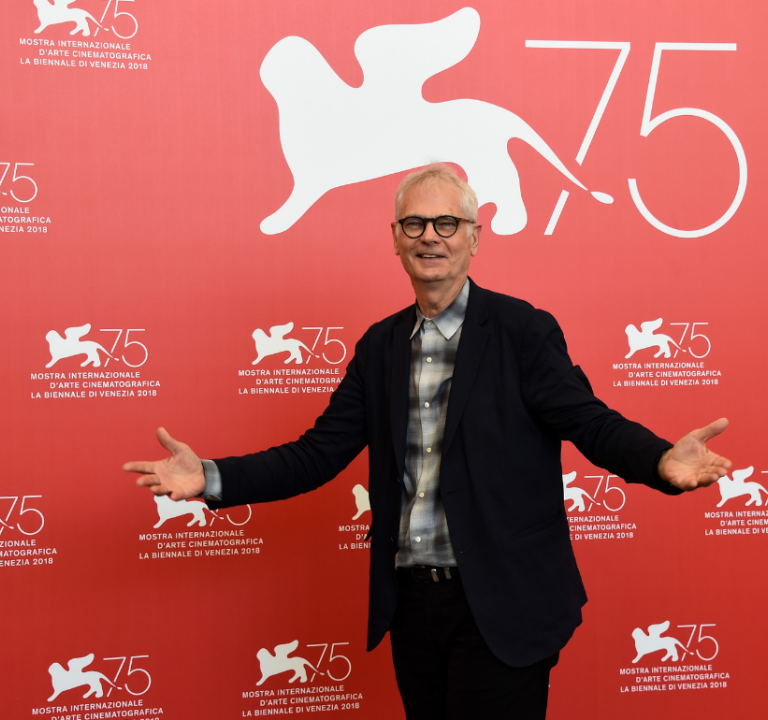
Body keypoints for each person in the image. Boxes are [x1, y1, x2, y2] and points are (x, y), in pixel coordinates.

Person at [124, 165, 731, 720]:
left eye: (447, 222)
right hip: (412, 607)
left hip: (503, 602)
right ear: (395, 237)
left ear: (474, 236)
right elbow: (317, 453)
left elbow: (590, 423)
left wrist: (658, 460)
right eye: (415, 223)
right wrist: (211, 477)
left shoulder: (522, 331)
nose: (430, 236)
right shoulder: (380, 346)